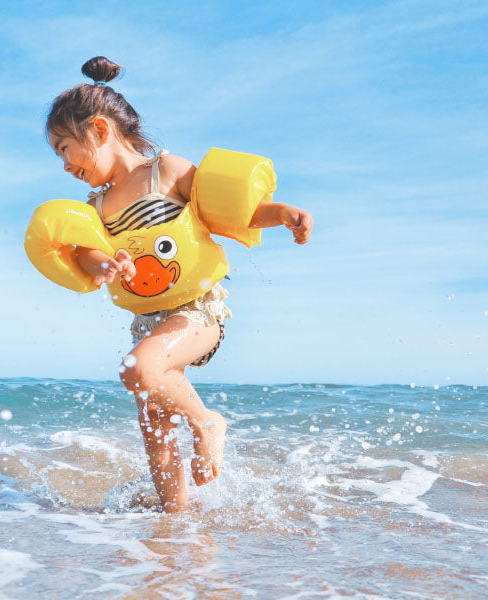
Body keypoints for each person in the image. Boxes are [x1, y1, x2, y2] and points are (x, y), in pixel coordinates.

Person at [44, 56, 313, 512]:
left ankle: (208, 424)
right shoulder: (97, 205)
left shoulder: (165, 172)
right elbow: (87, 253)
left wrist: (282, 213)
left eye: (64, 148)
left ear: (100, 131)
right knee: (154, 425)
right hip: (147, 321)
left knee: (137, 370)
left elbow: (230, 211)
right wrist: (105, 263)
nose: (64, 164)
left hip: (198, 311)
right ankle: (174, 525)